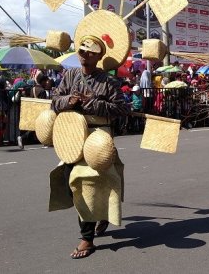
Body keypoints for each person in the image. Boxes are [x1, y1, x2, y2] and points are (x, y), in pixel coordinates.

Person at [50, 35, 130, 259]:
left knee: (86, 184)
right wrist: (69, 101)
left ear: (99, 56)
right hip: (72, 136)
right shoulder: (70, 75)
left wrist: (92, 103)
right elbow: (54, 101)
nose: (85, 55)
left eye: (90, 52)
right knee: (69, 181)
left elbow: (122, 109)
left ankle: (87, 239)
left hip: (98, 137)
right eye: (82, 50)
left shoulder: (109, 82)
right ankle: (99, 214)